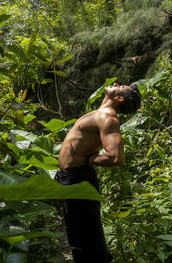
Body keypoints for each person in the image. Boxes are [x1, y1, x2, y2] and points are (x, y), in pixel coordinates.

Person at [55, 82, 141, 263]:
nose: (117, 83)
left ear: (119, 98)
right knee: (79, 231)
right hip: (73, 177)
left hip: (78, 178)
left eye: (121, 86)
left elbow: (116, 157)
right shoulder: (100, 114)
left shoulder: (108, 119)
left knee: (85, 233)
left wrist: (92, 160)